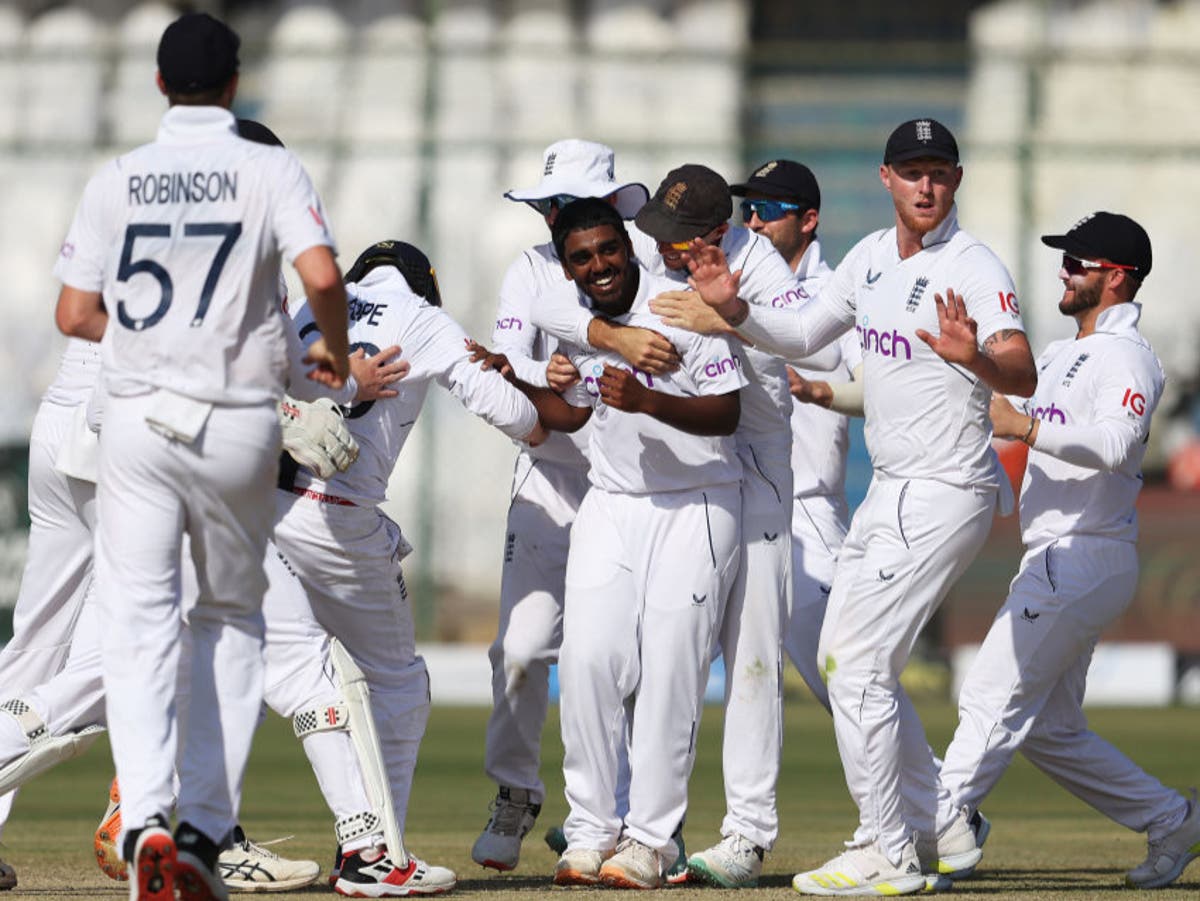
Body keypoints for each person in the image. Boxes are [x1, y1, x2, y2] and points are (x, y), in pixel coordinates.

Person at [678, 118, 1037, 895]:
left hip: (948, 485)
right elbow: (804, 329)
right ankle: (932, 821)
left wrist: (973, 353)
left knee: (856, 663)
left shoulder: (973, 264)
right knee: (844, 654)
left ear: (957, 180)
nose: (925, 185)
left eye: (938, 171)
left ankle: (890, 848)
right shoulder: (872, 260)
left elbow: (1023, 368)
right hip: (890, 488)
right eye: (911, 171)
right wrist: (733, 310)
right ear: (886, 179)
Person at [53, 13, 350, 900]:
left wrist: (152, 341)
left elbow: (73, 315)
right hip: (233, 420)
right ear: (233, 85)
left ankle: (142, 814)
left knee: (139, 622)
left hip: (138, 423)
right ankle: (205, 830)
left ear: (157, 85)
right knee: (229, 616)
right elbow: (324, 277)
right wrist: (328, 353)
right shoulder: (267, 166)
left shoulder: (118, 178)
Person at [935, 213, 1200, 890]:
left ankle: (928, 827)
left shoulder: (1129, 356)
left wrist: (1022, 423)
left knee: (988, 691)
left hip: (1083, 550)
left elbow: (1115, 446)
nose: (1064, 270)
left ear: (1116, 276)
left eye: (1078, 262)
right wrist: (972, 362)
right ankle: (1173, 818)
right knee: (1051, 728)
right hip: (1057, 552)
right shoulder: (1059, 354)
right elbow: (1008, 421)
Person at [275, 238, 548, 895]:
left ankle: (203, 826)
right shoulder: (422, 318)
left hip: (258, 507)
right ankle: (372, 849)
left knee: (251, 665)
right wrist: (546, 425)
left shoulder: (309, 305)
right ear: (426, 286)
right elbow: (513, 413)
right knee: (395, 680)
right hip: (338, 518)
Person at [491, 198, 745, 889]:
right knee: (588, 661)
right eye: (582, 256)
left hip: (696, 502)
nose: (598, 265)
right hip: (611, 500)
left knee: (669, 668)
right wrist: (510, 376)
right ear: (566, 260)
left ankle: (651, 839)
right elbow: (574, 412)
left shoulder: (682, 307)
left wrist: (649, 399)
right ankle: (590, 828)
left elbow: (728, 410)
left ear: (628, 247)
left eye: (608, 250)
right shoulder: (574, 314)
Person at [471, 139, 650, 873]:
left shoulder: (639, 262)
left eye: (567, 201)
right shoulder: (530, 270)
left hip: (631, 482)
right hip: (550, 478)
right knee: (519, 651)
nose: (553, 215)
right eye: (547, 203)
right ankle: (516, 791)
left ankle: (627, 818)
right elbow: (516, 386)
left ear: (613, 206)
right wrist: (547, 387)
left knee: (623, 660)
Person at [727, 159, 862, 711]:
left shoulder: (836, 295)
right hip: (722, 500)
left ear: (808, 221)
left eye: (768, 211)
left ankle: (941, 794)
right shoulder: (730, 285)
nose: (753, 223)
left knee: (846, 678)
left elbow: (877, 385)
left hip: (804, 509)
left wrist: (823, 392)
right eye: (747, 211)